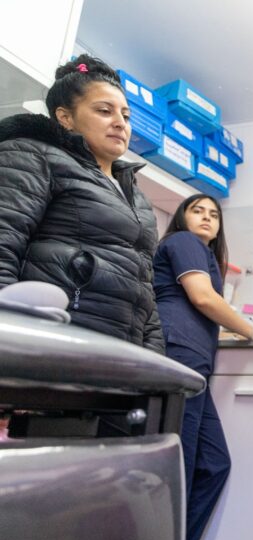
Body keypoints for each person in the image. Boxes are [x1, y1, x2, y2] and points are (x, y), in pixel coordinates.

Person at [0, 54, 163, 351]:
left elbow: (145, 290)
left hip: (117, 355)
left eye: (126, 116)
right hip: (49, 345)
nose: (119, 123)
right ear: (65, 118)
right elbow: (3, 243)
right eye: (104, 111)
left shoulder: (136, 196)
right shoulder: (32, 155)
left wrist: (152, 359)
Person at [153, 193, 253, 540]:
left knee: (212, 465)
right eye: (197, 210)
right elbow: (203, 299)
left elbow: (202, 310)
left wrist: (232, 330)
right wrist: (250, 330)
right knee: (181, 467)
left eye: (214, 214)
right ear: (181, 217)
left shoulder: (202, 255)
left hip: (194, 367)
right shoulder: (183, 241)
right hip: (179, 361)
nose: (207, 218)